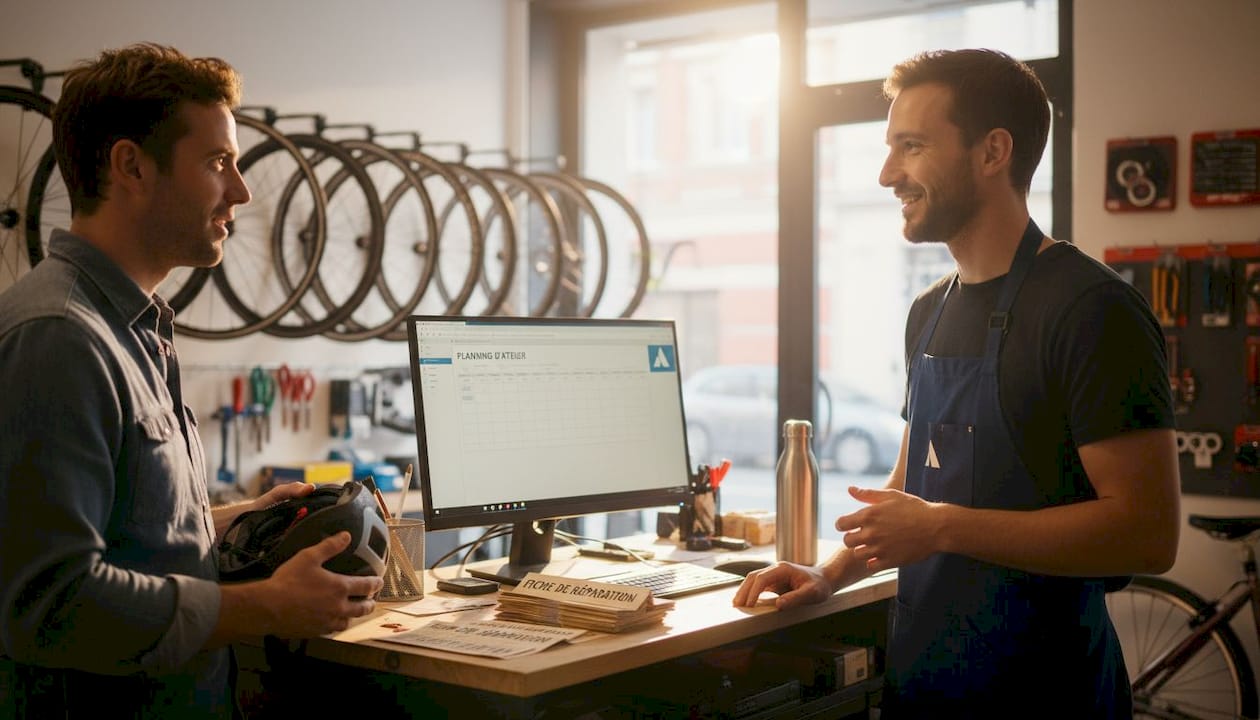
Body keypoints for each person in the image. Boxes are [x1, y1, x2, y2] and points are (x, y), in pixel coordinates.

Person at [734, 48, 1179, 717]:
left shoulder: (1092, 311)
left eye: (911, 147)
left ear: (993, 151)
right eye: (890, 149)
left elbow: (1147, 533)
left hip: (1047, 694)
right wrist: (827, 576)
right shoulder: (929, 311)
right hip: (929, 683)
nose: (888, 175)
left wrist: (941, 529)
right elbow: (912, 488)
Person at [0, 44, 384, 718]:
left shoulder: (136, 326)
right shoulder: (59, 338)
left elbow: (124, 531)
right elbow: (49, 603)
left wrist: (237, 521)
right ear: (131, 166)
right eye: (217, 163)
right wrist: (265, 606)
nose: (241, 190)